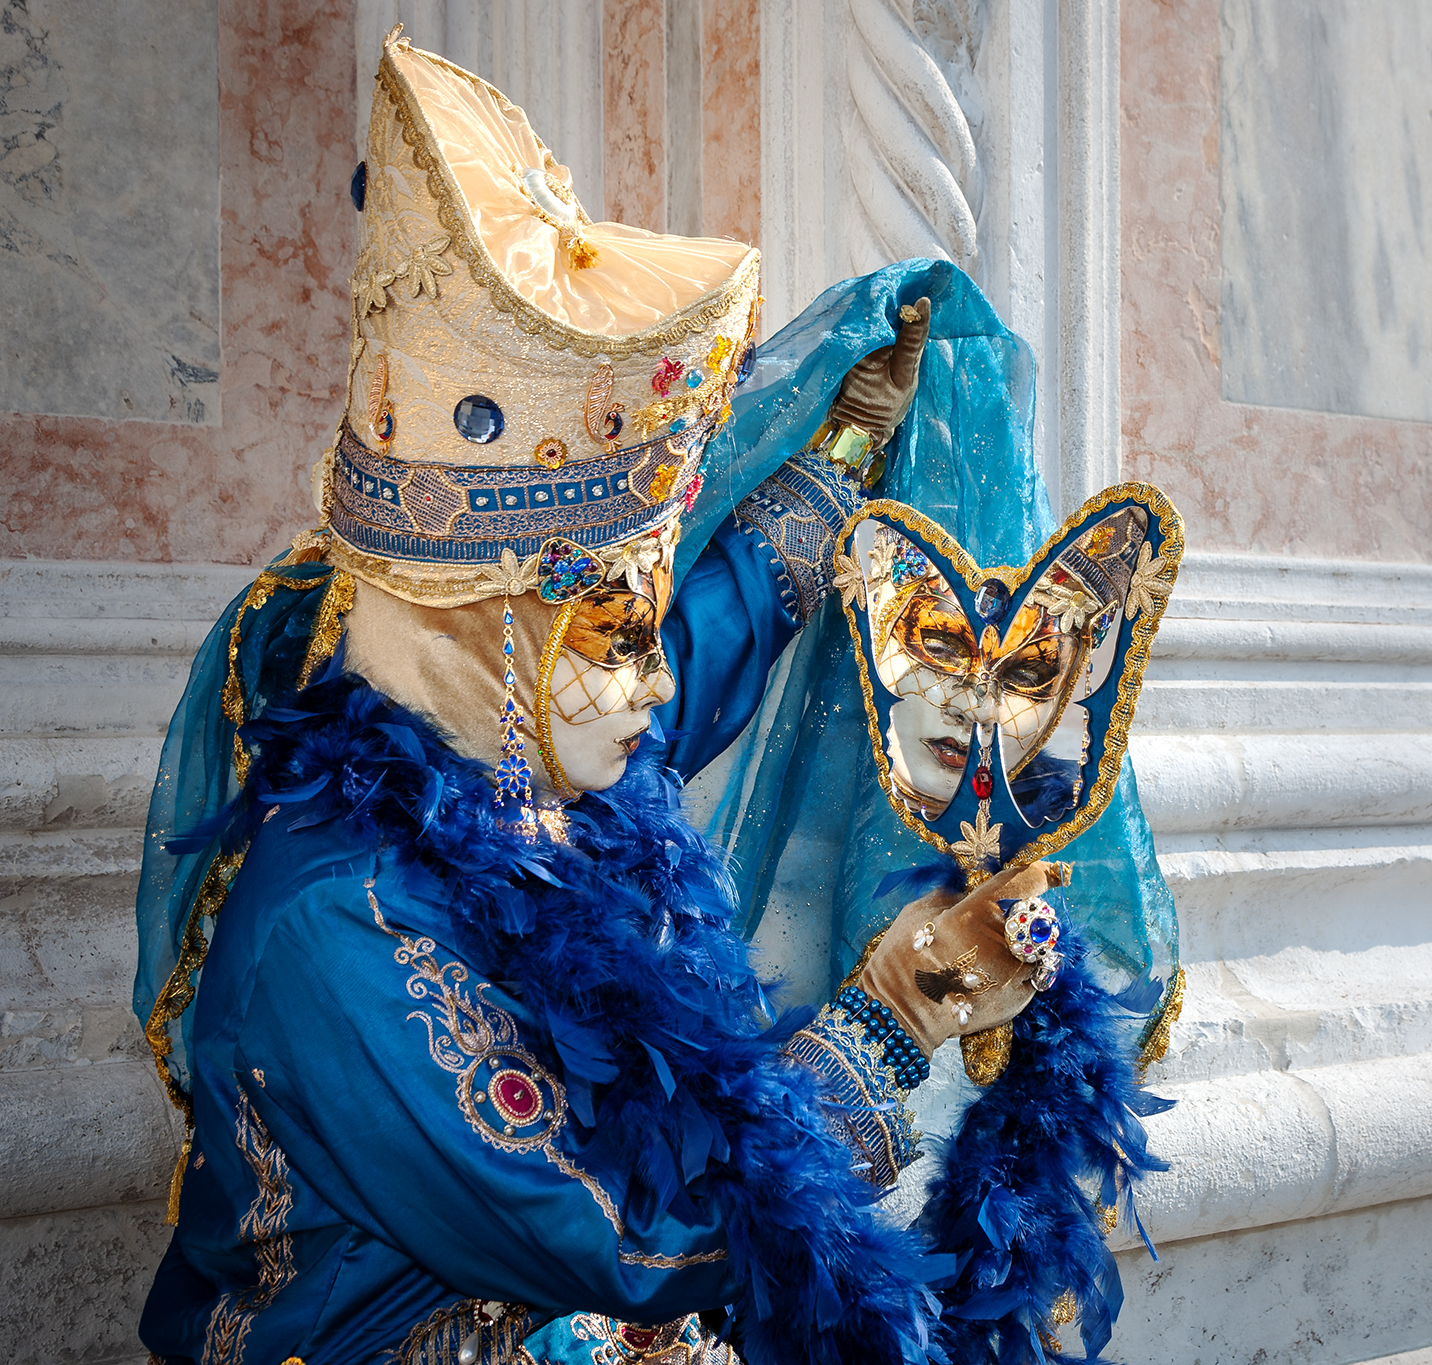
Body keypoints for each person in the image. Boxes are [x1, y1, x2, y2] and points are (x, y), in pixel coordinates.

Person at [134, 29, 1169, 1365]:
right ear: (484, 631)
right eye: (616, 630)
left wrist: (849, 441)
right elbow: (635, 1226)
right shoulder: (341, 922)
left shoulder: (539, 785)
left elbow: (713, 632)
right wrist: (893, 1014)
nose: (656, 677)